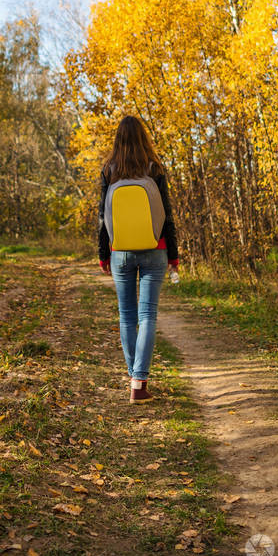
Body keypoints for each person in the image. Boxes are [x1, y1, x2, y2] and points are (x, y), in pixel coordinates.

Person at [97, 115, 179, 403]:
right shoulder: (154, 168)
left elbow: (102, 217)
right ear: (144, 138)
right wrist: (174, 255)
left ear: (118, 140)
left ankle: (136, 379)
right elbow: (167, 215)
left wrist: (103, 254)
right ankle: (138, 383)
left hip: (120, 251)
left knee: (127, 316)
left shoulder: (109, 170)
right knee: (147, 316)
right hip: (155, 248)